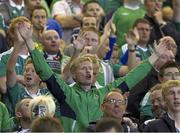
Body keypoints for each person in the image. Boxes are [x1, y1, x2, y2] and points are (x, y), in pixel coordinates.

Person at [18, 21, 174, 131]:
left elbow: (132, 77)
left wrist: (155, 56)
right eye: (83, 69)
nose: (89, 72)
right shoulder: (66, 93)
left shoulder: (105, 92)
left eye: (91, 70)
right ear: (74, 73)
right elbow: (45, 72)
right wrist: (29, 41)